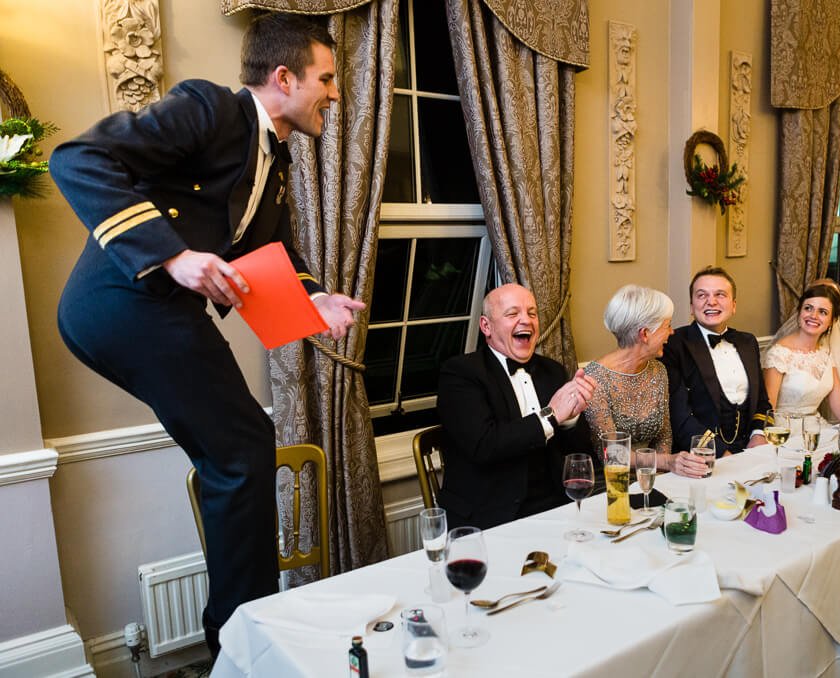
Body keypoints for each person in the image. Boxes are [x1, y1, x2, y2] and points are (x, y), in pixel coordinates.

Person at [50, 14, 364, 656]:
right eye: (327, 78)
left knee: (239, 451)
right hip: (122, 301)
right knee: (244, 449)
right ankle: (241, 639)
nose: (335, 93)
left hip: (157, 313)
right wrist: (172, 256)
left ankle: (239, 630)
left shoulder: (270, 160)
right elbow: (76, 157)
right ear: (284, 78)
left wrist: (313, 296)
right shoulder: (209, 109)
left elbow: (264, 246)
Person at [436, 284, 596, 530]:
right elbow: (484, 445)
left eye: (532, 313)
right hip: (489, 514)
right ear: (486, 327)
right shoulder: (460, 373)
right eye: (513, 314)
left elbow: (581, 453)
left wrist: (571, 419)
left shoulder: (552, 370)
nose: (526, 320)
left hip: (555, 506)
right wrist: (551, 415)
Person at [660, 266, 770, 477]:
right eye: (702, 295)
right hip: (701, 459)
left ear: (734, 305)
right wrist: (724, 455)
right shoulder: (674, 344)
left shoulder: (748, 342)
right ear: (692, 307)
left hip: (751, 452)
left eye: (720, 295)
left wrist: (758, 434)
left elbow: (762, 401)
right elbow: (679, 416)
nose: (711, 302)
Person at [583, 285, 674, 467]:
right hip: (610, 480)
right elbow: (613, 455)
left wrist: (659, 479)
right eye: (667, 326)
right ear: (645, 334)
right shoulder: (594, 379)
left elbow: (664, 435)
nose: (672, 332)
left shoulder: (658, 371)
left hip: (653, 475)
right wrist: (666, 462)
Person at [764, 284, 840, 419]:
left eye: (823, 312)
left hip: (815, 428)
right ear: (799, 312)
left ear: (832, 321)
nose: (813, 316)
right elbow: (768, 408)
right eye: (808, 308)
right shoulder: (779, 354)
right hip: (784, 431)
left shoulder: (826, 354)